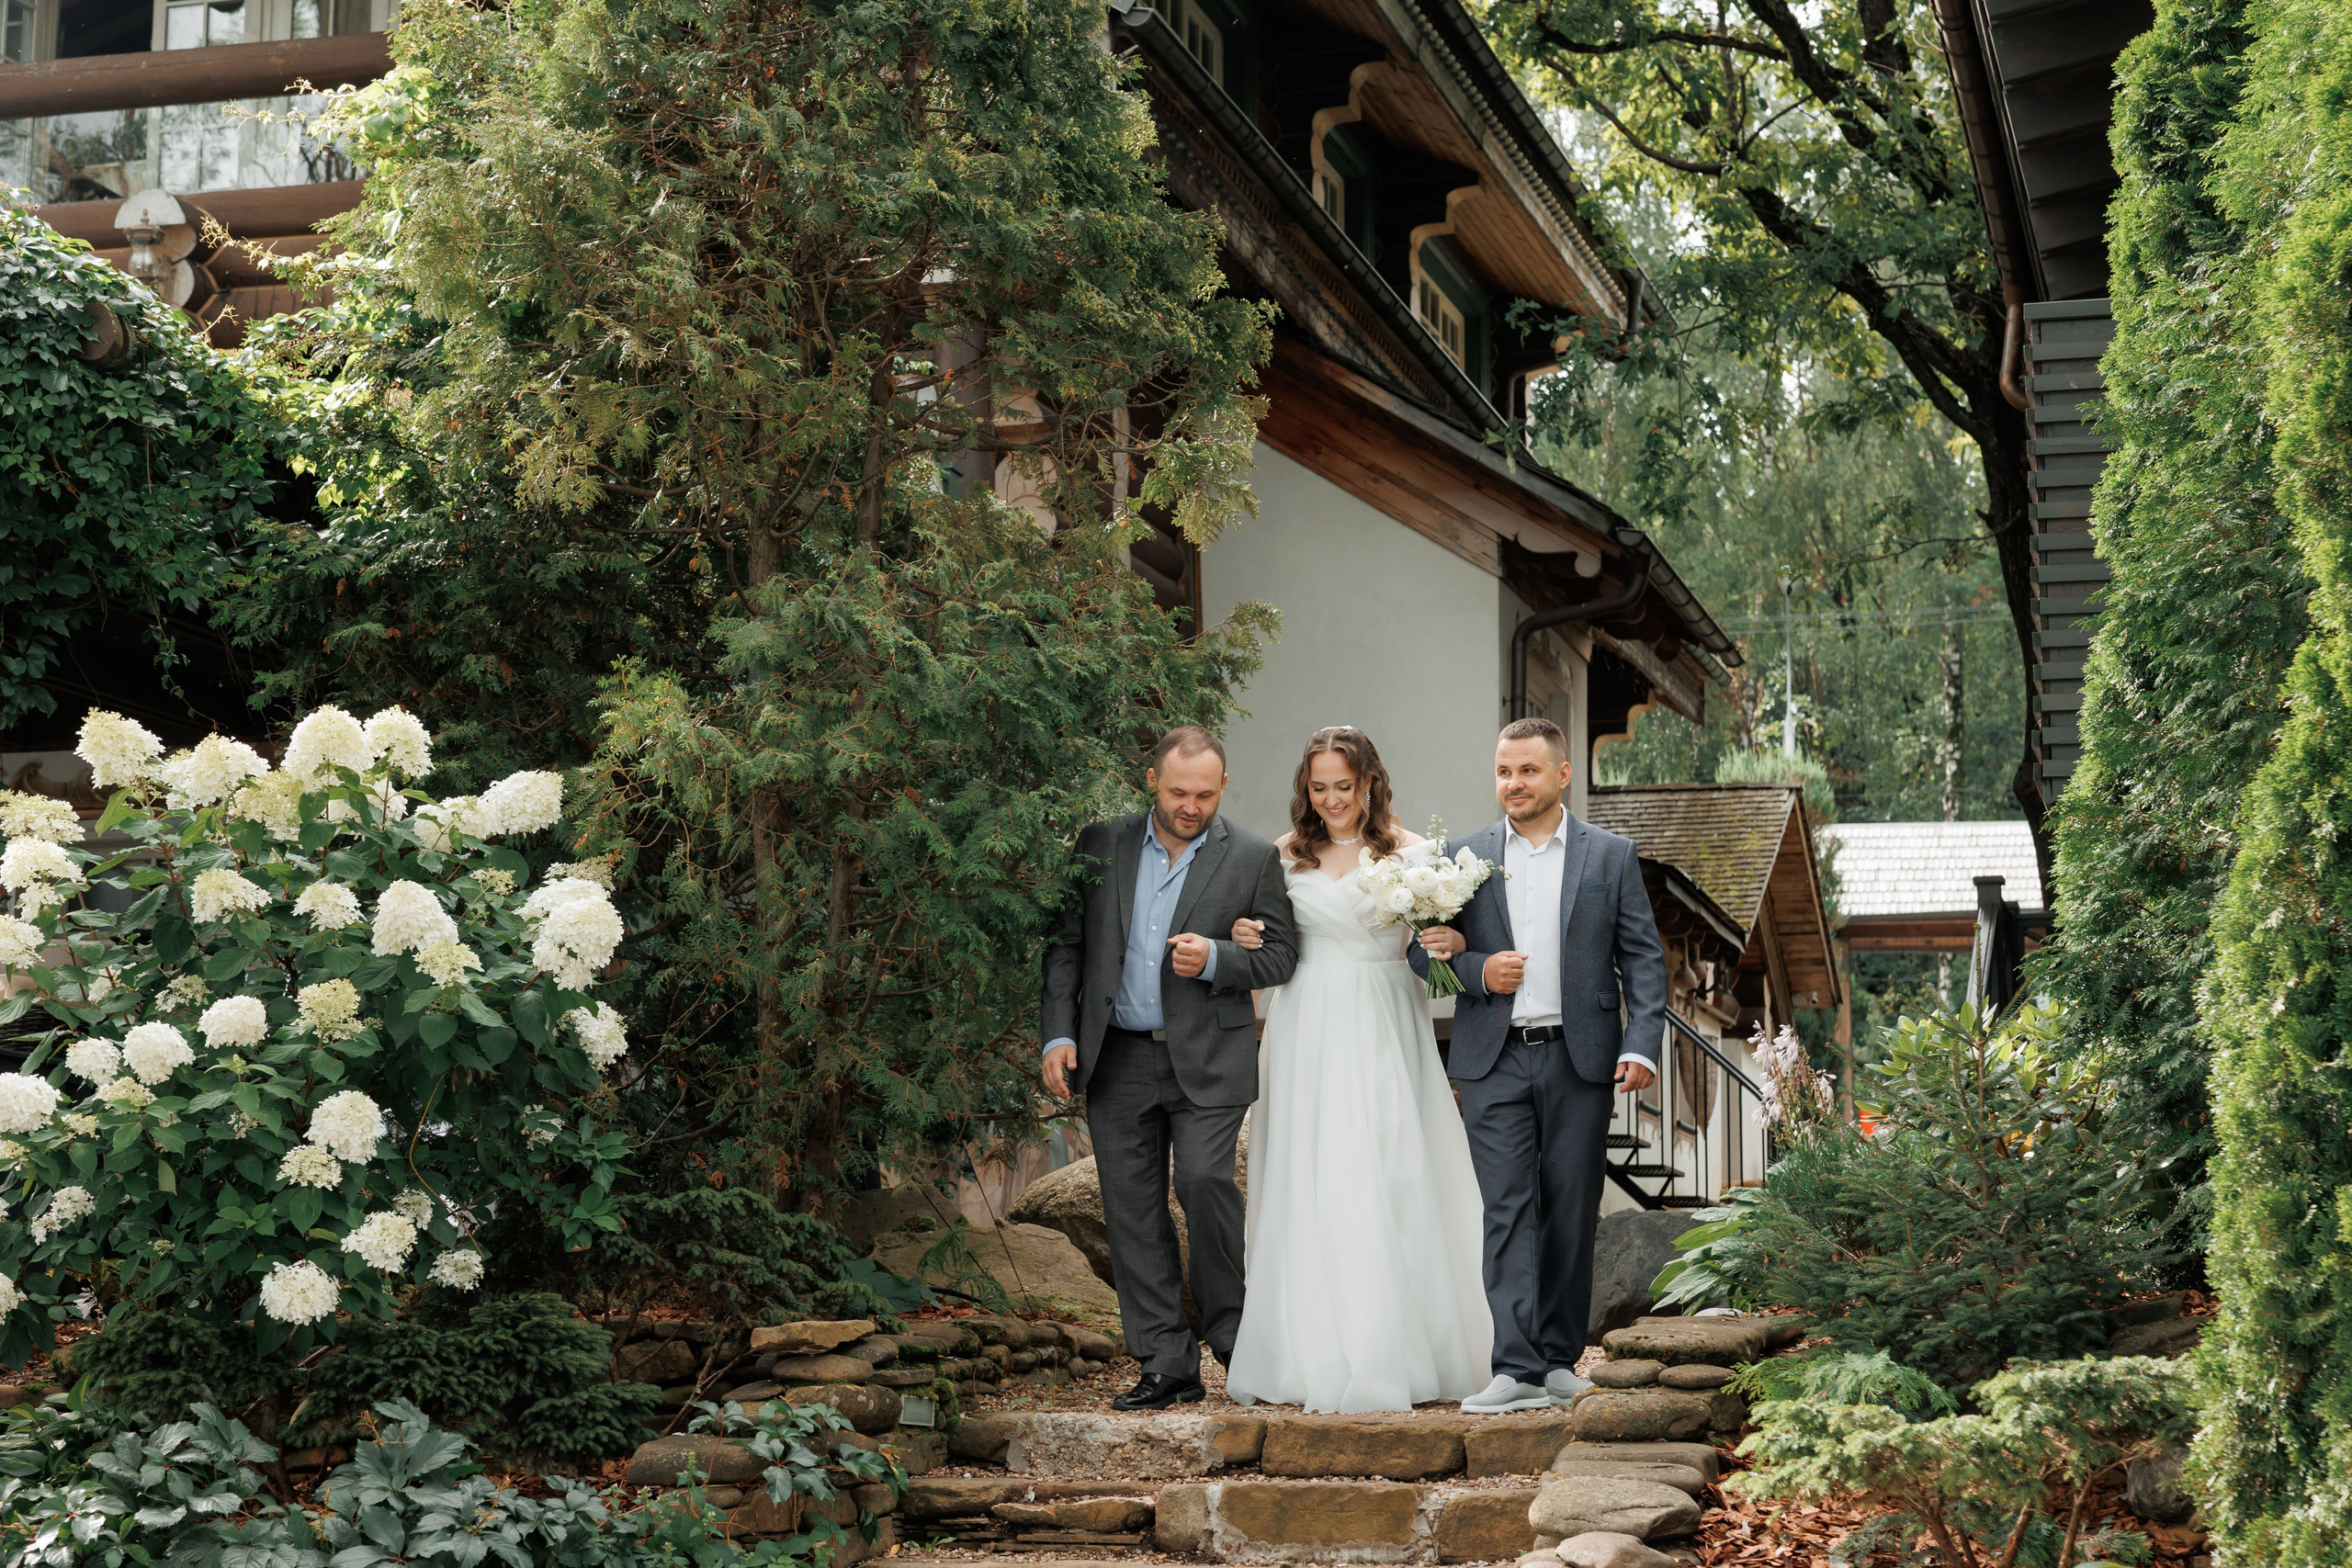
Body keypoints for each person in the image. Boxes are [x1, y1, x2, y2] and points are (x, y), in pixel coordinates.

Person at [1220, 726, 1493, 1412]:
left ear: (1370, 781)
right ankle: (1306, 1351)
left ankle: (1406, 1345)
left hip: (1385, 1017)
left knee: (1395, 1162)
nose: (1334, 799)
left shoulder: (1416, 855)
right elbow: (1257, 935)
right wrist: (1241, 933)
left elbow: (1443, 965)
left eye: (1345, 785)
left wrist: (1449, 942)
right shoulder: (1280, 856)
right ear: (1305, 789)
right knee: (1312, 1170)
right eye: (1320, 787)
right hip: (1306, 1018)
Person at [1040, 727, 1299, 1410]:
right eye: (1180, 792)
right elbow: (1066, 946)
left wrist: (1216, 957)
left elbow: (1279, 957)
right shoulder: (1100, 843)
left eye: (1206, 794)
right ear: (1152, 779)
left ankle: (1237, 1342)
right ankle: (1166, 1363)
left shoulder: (1249, 857)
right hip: (1116, 1053)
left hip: (1210, 1055)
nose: (1192, 806)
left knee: (1207, 1179)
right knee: (1130, 1208)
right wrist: (1056, 1036)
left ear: (1222, 788)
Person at [1414, 716, 1668, 1414]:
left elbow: (1643, 960)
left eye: (1527, 770)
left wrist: (1640, 1043)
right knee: (1507, 1209)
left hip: (1580, 1059)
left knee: (1570, 1210)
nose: (1512, 783)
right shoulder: (1462, 855)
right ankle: (1514, 1366)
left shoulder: (1610, 855)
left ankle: (1558, 1360)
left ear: (1561, 774)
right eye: (1502, 770)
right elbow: (1421, 958)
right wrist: (1474, 970)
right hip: (1491, 1060)